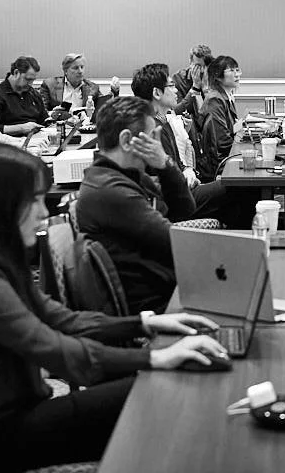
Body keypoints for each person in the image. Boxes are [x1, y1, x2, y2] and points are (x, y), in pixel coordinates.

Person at [0, 144, 226, 471]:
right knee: (158, 395)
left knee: (158, 396)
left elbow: (64, 320)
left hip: (11, 415)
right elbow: (60, 352)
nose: (43, 212)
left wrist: (146, 324)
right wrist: (156, 357)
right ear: (1, 207)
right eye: (34, 200)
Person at [76, 97, 196, 313]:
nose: (157, 145)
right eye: (151, 137)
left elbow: (185, 213)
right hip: (155, 305)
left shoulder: (129, 175)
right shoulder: (111, 191)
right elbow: (178, 242)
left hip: (169, 286)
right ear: (126, 140)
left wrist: (164, 165)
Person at [131, 63, 255, 228]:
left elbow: (176, 163)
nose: (176, 91)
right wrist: (184, 177)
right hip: (175, 202)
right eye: (171, 86)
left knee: (236, 197)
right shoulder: (151, 128)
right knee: (239, 188)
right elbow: (162, 176)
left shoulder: (163, 120)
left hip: (183, 190)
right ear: (156, 93)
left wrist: (187, 171)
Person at [196, 55, 242, 183]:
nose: (237, 74)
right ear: (218, 76)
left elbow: (231, 130)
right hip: (218, 165)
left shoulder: (225, 96)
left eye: (237, 70)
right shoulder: (215, 100)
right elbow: (222, 142)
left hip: (226, 157)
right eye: (232, 71)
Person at [39, 53, 120, 123]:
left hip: (82, 128)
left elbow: (104, 108)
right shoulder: (49, 85)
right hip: (57, 127)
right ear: (65, 70)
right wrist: (53, 113)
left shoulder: (92, 87)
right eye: (76, 68)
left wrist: (114, 92)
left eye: (82, 67)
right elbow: (41, 112)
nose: (80, 71)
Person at [0, 56, 48, 136]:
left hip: (36, 139)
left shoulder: (33, 94)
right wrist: (21, 128)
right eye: (28, 79)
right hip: (10, 142)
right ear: (16, 73)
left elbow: (44, 121)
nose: (31, 84)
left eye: (33, 80)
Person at [173, 44, 212, 117]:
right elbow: (177, 111)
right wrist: (195, 87)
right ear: (190, 63)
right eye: (198, 66)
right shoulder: (178, 78)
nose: (203, 70)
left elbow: (216, 110)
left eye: (206, 66)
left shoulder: (214, 78)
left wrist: (206, 90)